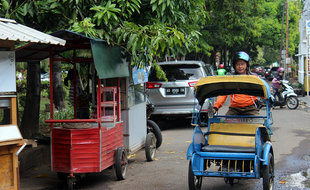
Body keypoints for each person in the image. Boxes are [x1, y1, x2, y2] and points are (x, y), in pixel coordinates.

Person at [212, 51, 260, 115]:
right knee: (224, 123)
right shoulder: (231, 79)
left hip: (251, 108)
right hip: (234, 109)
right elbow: (223, 95)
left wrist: (269, 93)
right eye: (238, 64)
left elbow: (262, 90)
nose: (240, 66)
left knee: (258, 123)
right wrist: (215, 107)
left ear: (247, 65)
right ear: (234, 66)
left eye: (242, 64)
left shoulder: (254, 77)